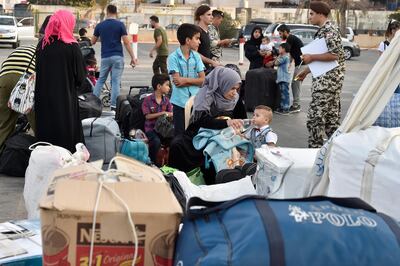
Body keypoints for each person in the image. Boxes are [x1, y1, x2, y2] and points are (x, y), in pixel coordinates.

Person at [168, 67, 244, 183]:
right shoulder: (206, 95)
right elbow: (201, 120)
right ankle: (181, 180)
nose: (234, 92)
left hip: (225, 133)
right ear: (222, 84)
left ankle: (227, 180)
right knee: (177, 145)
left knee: (236, 148)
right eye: (232, 88)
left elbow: (242, 118)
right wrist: (226, 122)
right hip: (202, 130)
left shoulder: (236, 99)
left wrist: (240, 126)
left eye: (237, 89)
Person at [35, 10, 86, 152]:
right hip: (65, 100)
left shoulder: (42, 45)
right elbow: (81, 78)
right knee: (66, 135)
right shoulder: (72, 47)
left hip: (43, 99)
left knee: (45, 133)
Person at [296, 1, 345, 148]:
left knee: (315, 119)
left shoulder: (329, 30)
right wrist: (306, 71)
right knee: (331, 122)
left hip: (327, 84)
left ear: (321, 14)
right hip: (328, 82)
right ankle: (337, 151)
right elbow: (324, 57)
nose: (309, 17)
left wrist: (311, 57)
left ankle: (315, 151)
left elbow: (334, 55)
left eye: (312, 14)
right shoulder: (325, 30)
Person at [91, 4, 137, 110]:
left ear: (107, 12)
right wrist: (133, 57)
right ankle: (114, 106)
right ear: (116, 13)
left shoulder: (100, 25)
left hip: (105, 57)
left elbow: (93, 41)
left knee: (101, 80)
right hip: (117, 57)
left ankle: (93, 104)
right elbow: (126, 42)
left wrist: (104, 37)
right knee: (115, 82)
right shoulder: (120, 25)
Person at [167, 23, 205, 136]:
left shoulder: (197, 56)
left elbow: (203, 80)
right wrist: (194, 81)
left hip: (196, 102)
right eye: (197, 38)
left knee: (195, 134)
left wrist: (185, 80)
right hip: (179, 103)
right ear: (188, 40)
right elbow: (177, 82)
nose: (199, 42)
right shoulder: (173, 58)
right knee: (180, 135)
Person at [0, 46, 36, 149]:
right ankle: (43, 150)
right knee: (35, 120)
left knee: (3, 124)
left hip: (4, 79)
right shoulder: (39, 51)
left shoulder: (18, 50)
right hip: (25, 81)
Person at [142, 74, 173, 164]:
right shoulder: (147, 100)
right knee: (156, 142)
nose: (169, 88)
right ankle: (152, 162)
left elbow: (171, 113)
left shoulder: (166, 100)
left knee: (174, 141)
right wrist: (163, 113)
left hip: (164, 130)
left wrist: (170, 115)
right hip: (151, 129)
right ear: (159, 86)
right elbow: (147, 116)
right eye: (167, 85)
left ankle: (169, 162)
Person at [277, 24, 304, 113]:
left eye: (280, 33)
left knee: (295, 83)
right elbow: (291, 53)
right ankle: (296, 104)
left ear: (285, 32)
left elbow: (285, 51)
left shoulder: (290, 38)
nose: (280, 35)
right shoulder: (292, 39)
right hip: (299, 64)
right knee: (295, 83)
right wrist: (290, 63)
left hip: (302, 64)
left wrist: (279, 59)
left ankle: (296, 105)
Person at [194, 5, 220, 71]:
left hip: (207, 68)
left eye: (212, 15)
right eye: (208, 15)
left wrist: (212, 58)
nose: (212, 17)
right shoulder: (196, 32)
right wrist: (211, 61)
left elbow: (204, 50)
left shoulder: (207, 32)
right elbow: (194, 53)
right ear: (201, 17)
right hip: (198, 71)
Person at [274, 43, 292, 115]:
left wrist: (278, 56)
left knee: (285, 94)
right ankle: (282, 107)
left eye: (280, 48)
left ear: (284, 49)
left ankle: (286, 108)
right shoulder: (286, 56)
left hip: (284, 78)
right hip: (282, 78)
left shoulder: (284, 57)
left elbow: (276, 63)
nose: (279, 49)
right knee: (282, 93)